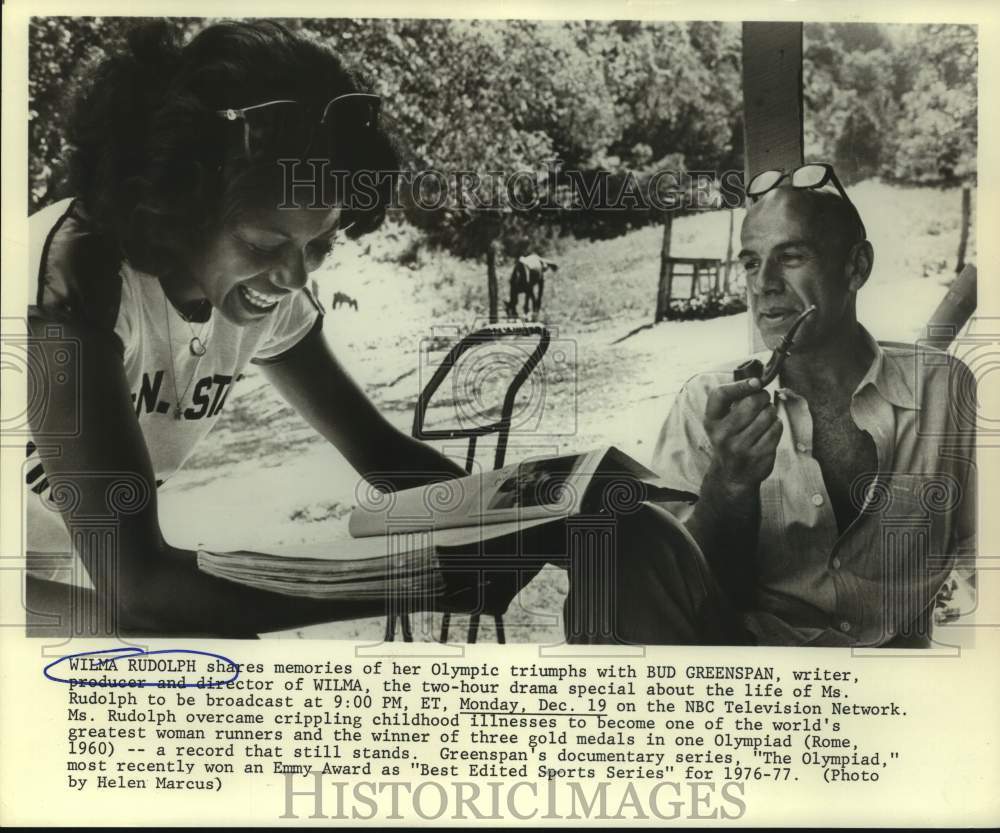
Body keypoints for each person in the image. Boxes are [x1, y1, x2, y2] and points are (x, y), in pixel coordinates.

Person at [25, 20, 468, 637]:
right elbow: (141, 591)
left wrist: (537, 512)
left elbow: (383, 455)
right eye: (264, 242)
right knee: (190, 631)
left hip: (49, 573)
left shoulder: (265, 287)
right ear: (177, 208)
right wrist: (423, 580)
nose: (293, 276)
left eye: (320, 246)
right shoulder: (76, 277)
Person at [646, 166, 976, 647]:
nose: (764, 285)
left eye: (792, 256)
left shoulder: (946, 393)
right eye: (751, 263)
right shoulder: (706, 404)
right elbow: (675, 596)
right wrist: (729, 484)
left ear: (856, 266)